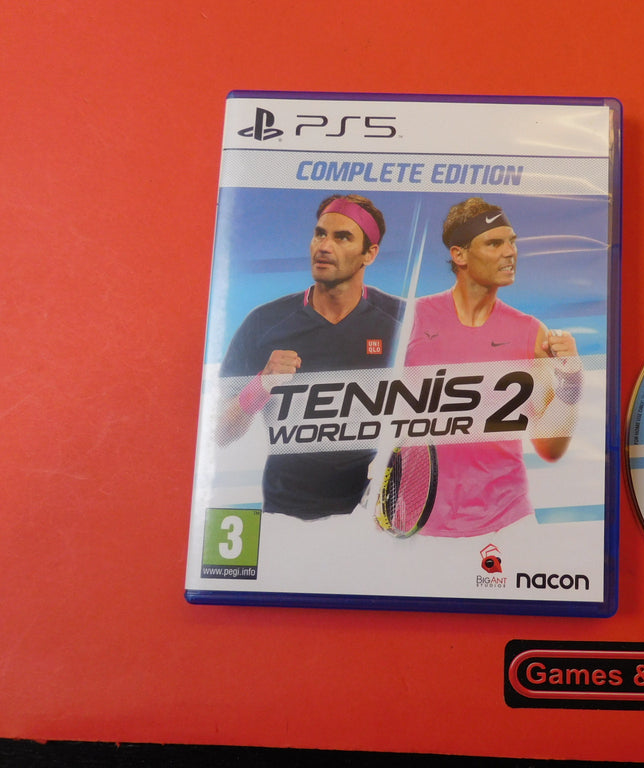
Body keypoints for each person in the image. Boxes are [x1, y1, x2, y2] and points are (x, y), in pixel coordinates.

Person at [215, 193, 402, 520]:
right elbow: (219, 433)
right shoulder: (264, 322)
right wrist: (261, 385)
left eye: (342, 237)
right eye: (320, 234)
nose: (324, 246)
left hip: (375, 516)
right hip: (287, 515)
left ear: (369, 254)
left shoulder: (404, 321)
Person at [403, 198, 581, 537]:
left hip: (507, 522)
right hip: (418, 524)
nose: (510, 252)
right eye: (494, 243)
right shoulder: (411, 319)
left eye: (512, 242)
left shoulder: (531, 333)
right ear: (460, 255)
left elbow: (549, 447)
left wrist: (570, 382)